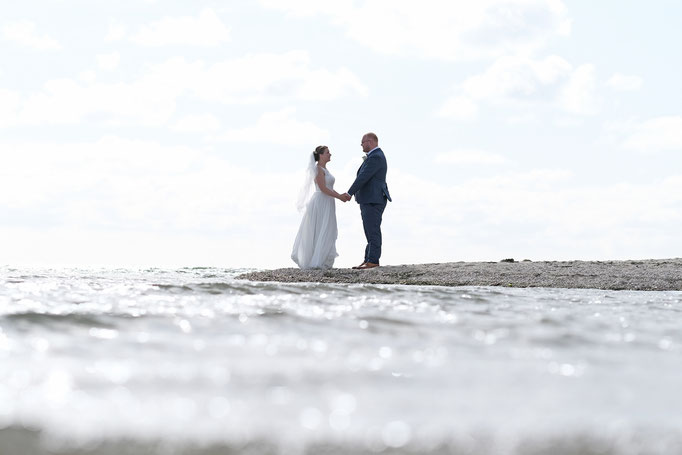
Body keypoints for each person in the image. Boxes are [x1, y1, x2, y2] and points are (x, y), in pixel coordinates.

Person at [340, 132, 392, 269]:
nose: (361, 145)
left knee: (372, 229)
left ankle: (373, 261)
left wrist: (349, 193)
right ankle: (368, 259)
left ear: (370, 141)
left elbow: (363, 177)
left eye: (362, 142)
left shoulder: (376, 157)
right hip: (370, 198)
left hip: (373, 198)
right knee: (369, 229)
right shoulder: (375, 156)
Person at [291, 145, 347, 269]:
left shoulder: (325, 170)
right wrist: (339, 197)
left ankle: (323, 259)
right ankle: (317, 261)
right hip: (321, 201)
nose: (330, 154)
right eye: (327, 152)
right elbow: (323, 188)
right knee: (321, 229)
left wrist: (340, 195)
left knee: (328, 229)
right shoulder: (318, 170)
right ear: (320, 155)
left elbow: (329, 188)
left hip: (328, 202)